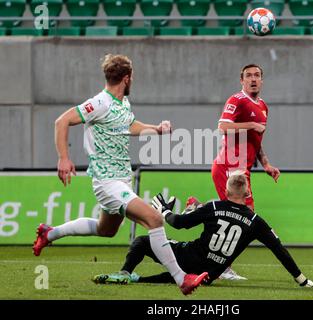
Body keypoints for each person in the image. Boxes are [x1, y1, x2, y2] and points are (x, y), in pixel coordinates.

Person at [32, 54, 208, 295]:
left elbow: (129, 125)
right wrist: (64, 157)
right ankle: (182, 279)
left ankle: (49, 233)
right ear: (127, 78)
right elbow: (61, 121)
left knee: (107, 230)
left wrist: (156, 130)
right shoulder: (100, 103)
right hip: (107, 182)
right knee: (154, 220)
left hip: (120, 178)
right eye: (132, 76)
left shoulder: (122, 104)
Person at [93, 172, 313, 289]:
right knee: (174, 277)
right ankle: (138, 280)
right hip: (208, 275)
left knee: (143, 242)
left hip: (187, 257)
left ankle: (125, 273)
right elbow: (279, 250)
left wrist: (163, 212)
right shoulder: (255, 221)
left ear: (226, 190)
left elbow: (180, 222)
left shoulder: (214, 207)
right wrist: (302, 280)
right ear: (247, 194)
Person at [188, 64, 281, 280]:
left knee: (242, 222)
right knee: (243, 221)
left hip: (242, 170)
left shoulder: (263, 107)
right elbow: (222, 126)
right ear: (242, 80)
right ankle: (222, 268)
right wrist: (250, 124)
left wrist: (266, 164)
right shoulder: (236, 100)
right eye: (248, 76)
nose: (253, 79)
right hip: (228, 167)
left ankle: (198, 209)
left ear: (262, 80)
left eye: (257, 75)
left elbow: (256, 141)